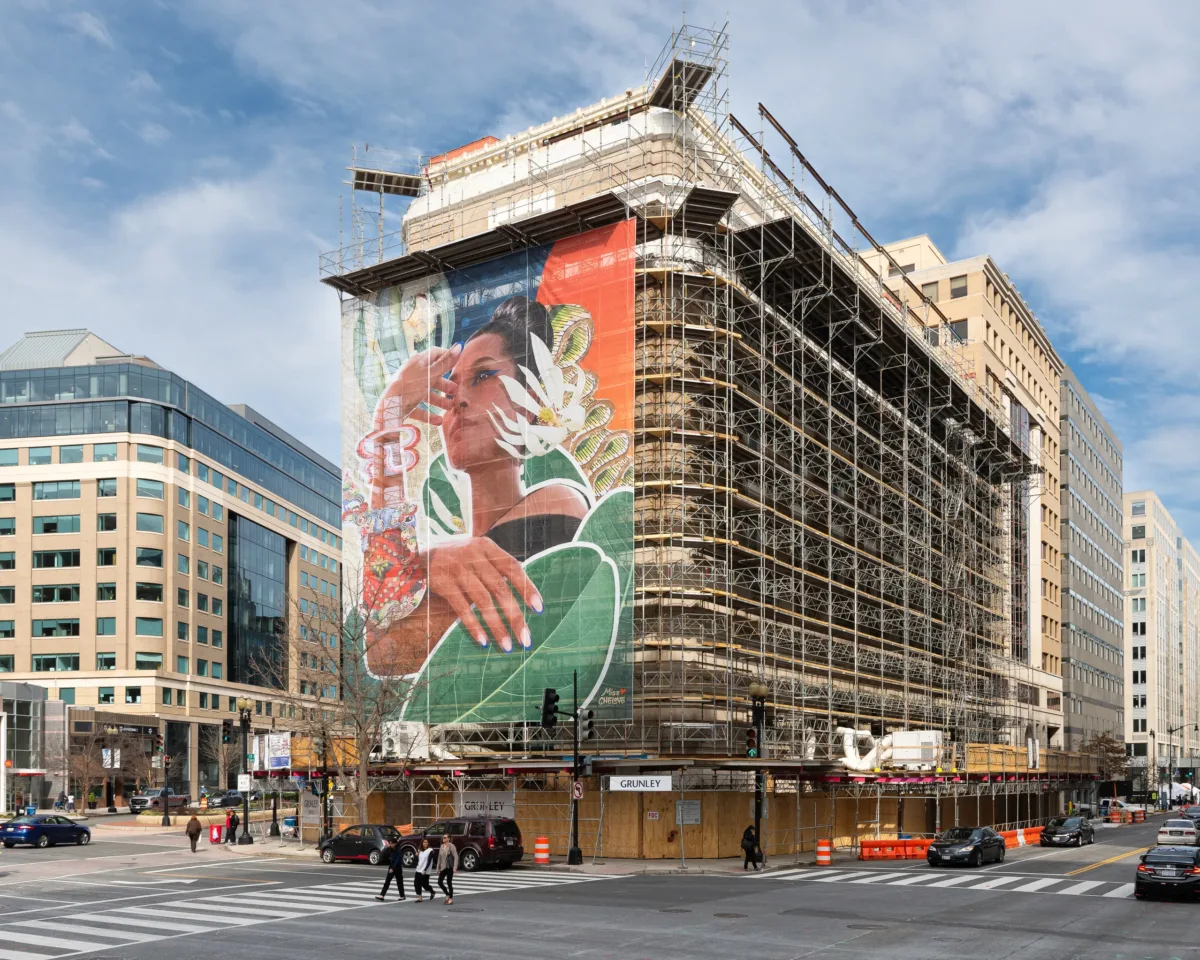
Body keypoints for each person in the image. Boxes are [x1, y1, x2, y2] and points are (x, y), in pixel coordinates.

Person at [359, 296, 589, 676]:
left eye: (483, 377)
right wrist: (389, 419)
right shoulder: (456, 551)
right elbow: (380, 654)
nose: (458, 401)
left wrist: (419, 566)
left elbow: (388, 645)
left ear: (530, 401)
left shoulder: (557, 501)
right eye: (450, 388)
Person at [437, 835, 458, 905]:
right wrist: (438, 868)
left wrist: (455, 867)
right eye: (443, 837)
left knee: (449, 882)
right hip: (443, 867)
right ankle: (447, 894)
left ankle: (451, 899)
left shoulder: (451, 846)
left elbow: (456, 857)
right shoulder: (441, 846)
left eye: (445, 837)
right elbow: (439, 858)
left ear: (449, 839)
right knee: (439, 882)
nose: (443, 838)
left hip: (449, 867)